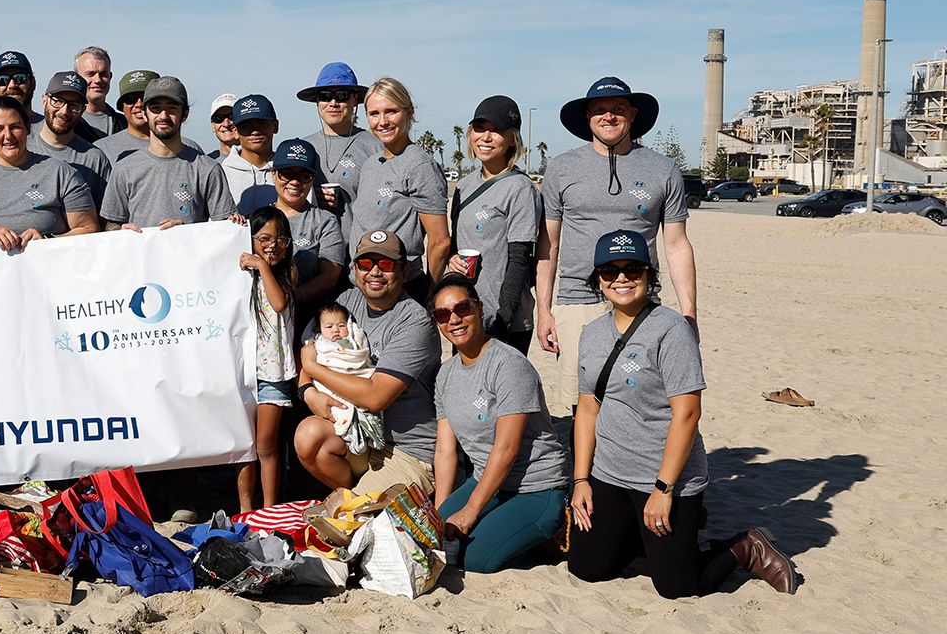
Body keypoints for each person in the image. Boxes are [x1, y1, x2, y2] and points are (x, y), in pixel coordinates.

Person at [566, 231, 797, 597]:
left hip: (664, 477)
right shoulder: (592, 334)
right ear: (597, 278)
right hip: (609, 473)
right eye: (610, 270)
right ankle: (654, 544)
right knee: (586, 568)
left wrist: (663, 489)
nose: (621, 278)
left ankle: (746, 547)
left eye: (633, 269)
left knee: (678, 587)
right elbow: (589, 408)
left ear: (650, 274)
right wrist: (581, 480)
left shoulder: (672, 331)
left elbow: (687, 414)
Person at [536, 77, 697, 412]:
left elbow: (677, 245)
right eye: (599, 110)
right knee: (580, 406)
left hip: (640, 299)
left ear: (633, 114)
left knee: (638, 399)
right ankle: (583, 467)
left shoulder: (663, 170)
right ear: (587, 118)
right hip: (576, 301)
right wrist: (545, 310)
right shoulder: (562, 169)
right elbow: (548, 247)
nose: (608, 117)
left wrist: (688, 314)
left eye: (617, 110)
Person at [428, 273, 569, 573]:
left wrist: (469, 513)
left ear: (479, 308)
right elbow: (445, 450)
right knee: (434, 542)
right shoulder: (446, 374)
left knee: (474, 559)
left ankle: (553, 529)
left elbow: (506, 449)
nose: (454, 319)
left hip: (534, 485)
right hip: (486, 480)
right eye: (443, 314)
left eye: (462, 308)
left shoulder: (509, 365)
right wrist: (440, 515)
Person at [292, 230, 441, 495]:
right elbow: (309, 348)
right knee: (308, 436)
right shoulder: (347, 302)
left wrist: (314, 370)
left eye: (385, 264)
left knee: (342, 525)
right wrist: (308, 391)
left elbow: (375, 397)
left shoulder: (414, 321)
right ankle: (357, 493)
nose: (374, 272)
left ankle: (363, 500)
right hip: (360, 436)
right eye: (365, 264)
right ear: (354, 269)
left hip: (404, 448)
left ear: (405, 271)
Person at [0, 96, 99, 250]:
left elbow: (89, 228)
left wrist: (49, 241)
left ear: (28, 128)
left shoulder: (61, 173)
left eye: (15, 127)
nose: (8, 136)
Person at [445, 95, 541, 353]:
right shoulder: (464, 187)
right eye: (480, 128)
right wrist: (452, 259)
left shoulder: (520, 188)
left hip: (506, 320)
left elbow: (519, 260)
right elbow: (455, 244)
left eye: (497, 130)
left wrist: (503, 320)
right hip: (466, 314)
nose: (486, 137)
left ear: (512, 138)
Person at [348, 77, 449, 298]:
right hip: (361, 287)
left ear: (409, 112)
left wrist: (428, 294)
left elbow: (440, 241)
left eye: (391, 111)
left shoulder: (420, 165)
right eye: (374, 114)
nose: (382, 121)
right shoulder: (371, 164)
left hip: (399, 290)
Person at [98, 76, 236, 230]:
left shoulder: (207, 169)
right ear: (144, 113)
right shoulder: (124, 169)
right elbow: (111, 225)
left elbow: (225, 230)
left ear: (185, 114)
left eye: (171, 108)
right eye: (155, 108)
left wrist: (187, 230)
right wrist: (119, 231)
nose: (163, 116)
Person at [238, 206, 298, 512]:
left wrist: (261, 265)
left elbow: (277, 303)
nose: (273, 245)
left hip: (273, 373)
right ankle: (247, 511)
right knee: (245, 447)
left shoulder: (286, 273)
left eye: (280, 239)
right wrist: (232, 231)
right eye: (263, 238)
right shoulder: (239, 272)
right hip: (242, 371)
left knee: (265, 445)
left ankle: (271, 509)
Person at [297, 62, 383, 245]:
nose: (333, 103)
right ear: (317, 102)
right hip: (309, 255)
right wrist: (310, 196)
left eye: (342, 96)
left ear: (355, 100)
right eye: (326, 96)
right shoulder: (302, 147)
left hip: (359, 257)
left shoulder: (375, 147)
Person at [270, 140, 345, 317]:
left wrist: (289, 300)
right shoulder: (257, 218)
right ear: (274, 174)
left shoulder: (325, 221)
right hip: (263, 315)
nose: (294, 182)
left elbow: (329, 278)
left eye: (304, 175)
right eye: (287, 173)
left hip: (307, 316)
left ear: (313, 179)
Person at [301, 303, 386, 455]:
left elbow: (360, 357)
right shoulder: (318, 344)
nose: (336, 330)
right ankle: (353, 431)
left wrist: (311, 366)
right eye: (329, 327)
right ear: (319, 329)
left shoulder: (355, 338)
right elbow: (309, 361)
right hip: (328, 386)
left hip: (357, 377)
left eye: (341, 325)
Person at [28, 71, 115, 207]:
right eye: (57, 101)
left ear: (83, 110)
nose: (64, 111)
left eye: (74, 105)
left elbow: (107, 216)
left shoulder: (95, 159)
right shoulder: (21, 146)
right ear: (44, 101)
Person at [95, 69, 204, 164]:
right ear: (121, 106)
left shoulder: (191, 148)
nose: (139, 104)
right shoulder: (102, 150)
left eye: (144, 97)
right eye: (131, 98)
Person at [222, 94, 280, 214]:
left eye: (262, 123)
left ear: (275, 126)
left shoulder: (290, 171)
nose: (255, 131)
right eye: (246, 126)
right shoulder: (220, 174)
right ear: (235, 132)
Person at [73, 46, 123, 141]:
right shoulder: (67, 123)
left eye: (103, 74)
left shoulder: (125, 124)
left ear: (110, 77)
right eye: (90, 74)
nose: (97, 80)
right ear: (77, 78)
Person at [207, 93, 239, 160]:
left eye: (232, 116)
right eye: (218, 118)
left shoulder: (262, 159)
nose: (226, 124)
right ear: (212, 126)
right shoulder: (205, 163)